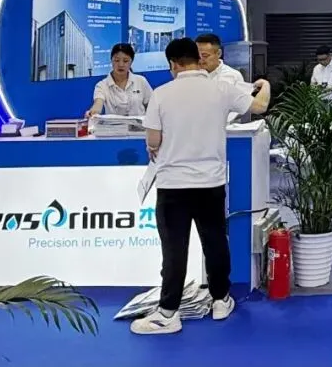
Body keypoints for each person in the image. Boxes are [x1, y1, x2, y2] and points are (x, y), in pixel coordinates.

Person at [132, 37, 271, 335]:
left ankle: (168, 312)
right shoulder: (221, 88)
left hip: (172, 185)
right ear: (198, 59)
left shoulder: (161, 94)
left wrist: (157, 145)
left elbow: (153, 140)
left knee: (174, 249)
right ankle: (221, 299)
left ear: (173, 64)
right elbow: (260, 105)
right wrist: (266, 84)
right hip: (211, 182)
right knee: (215, 241)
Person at [85, 43, 152, 118]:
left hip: (141, 125)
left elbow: (152, 105)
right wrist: (93, 112)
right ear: (111, 61)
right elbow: (98, 104)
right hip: (114, 126)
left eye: (125, 61)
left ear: (131, 62)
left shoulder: (141, 81)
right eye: (117, 60)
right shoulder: (102, 85)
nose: (121, 64)